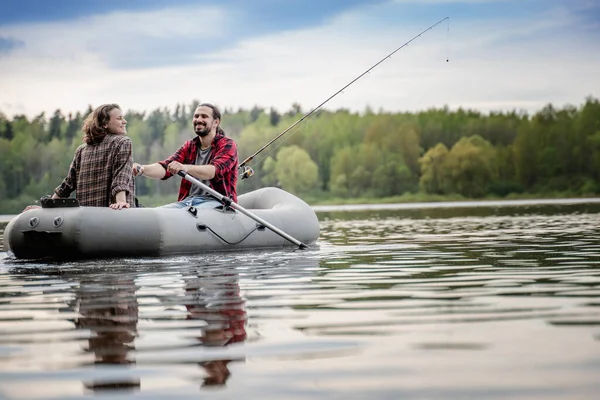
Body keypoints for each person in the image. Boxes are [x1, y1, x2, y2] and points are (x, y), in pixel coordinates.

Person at [24, 103, 135, 211]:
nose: (124, 121)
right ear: (105, 123)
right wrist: (121, 201)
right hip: (113, 214)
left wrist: (48, 206)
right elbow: (121, 175)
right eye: (119, 118)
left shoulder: (82, 150)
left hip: (85, 216)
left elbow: (67, 185)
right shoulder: (123, 142)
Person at [133, 103, 238, 209]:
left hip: (218, 203)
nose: (199, 119)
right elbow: (165, 168)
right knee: (158, 213)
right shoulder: (190, 146)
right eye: (196, 116)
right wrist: (142, 169)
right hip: (188, 201)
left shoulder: (227, 145)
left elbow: (213, 171)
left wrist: (184, 167)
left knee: (188, 214)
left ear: (216, 122)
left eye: (204, 116)